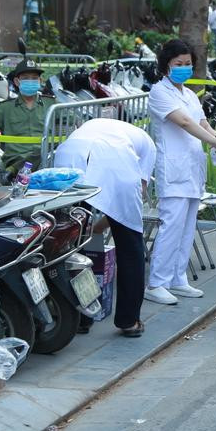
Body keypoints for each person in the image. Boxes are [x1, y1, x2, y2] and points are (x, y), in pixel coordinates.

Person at [53, 118, 155, 338]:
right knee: (130, 247)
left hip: (70, 155)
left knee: (70, 242)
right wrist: (102, 226)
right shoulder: (147, 144)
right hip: (113, 161)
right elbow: (134, 196)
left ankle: (78, 316)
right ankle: (129, 320)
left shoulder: (93, 127)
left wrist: (95, 228)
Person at [144, 39, 216, 305]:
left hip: (192, 168)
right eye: (179, 64)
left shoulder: (189, 94)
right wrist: (214, 141)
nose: (184, 68)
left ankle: (178, 278)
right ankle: (157, 283)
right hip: (174, 169)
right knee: (171, 226)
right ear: (166, 65)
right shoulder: (159, 92)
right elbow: (185, 122)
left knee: (187, 226)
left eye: (188, 64)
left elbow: (201, 121)